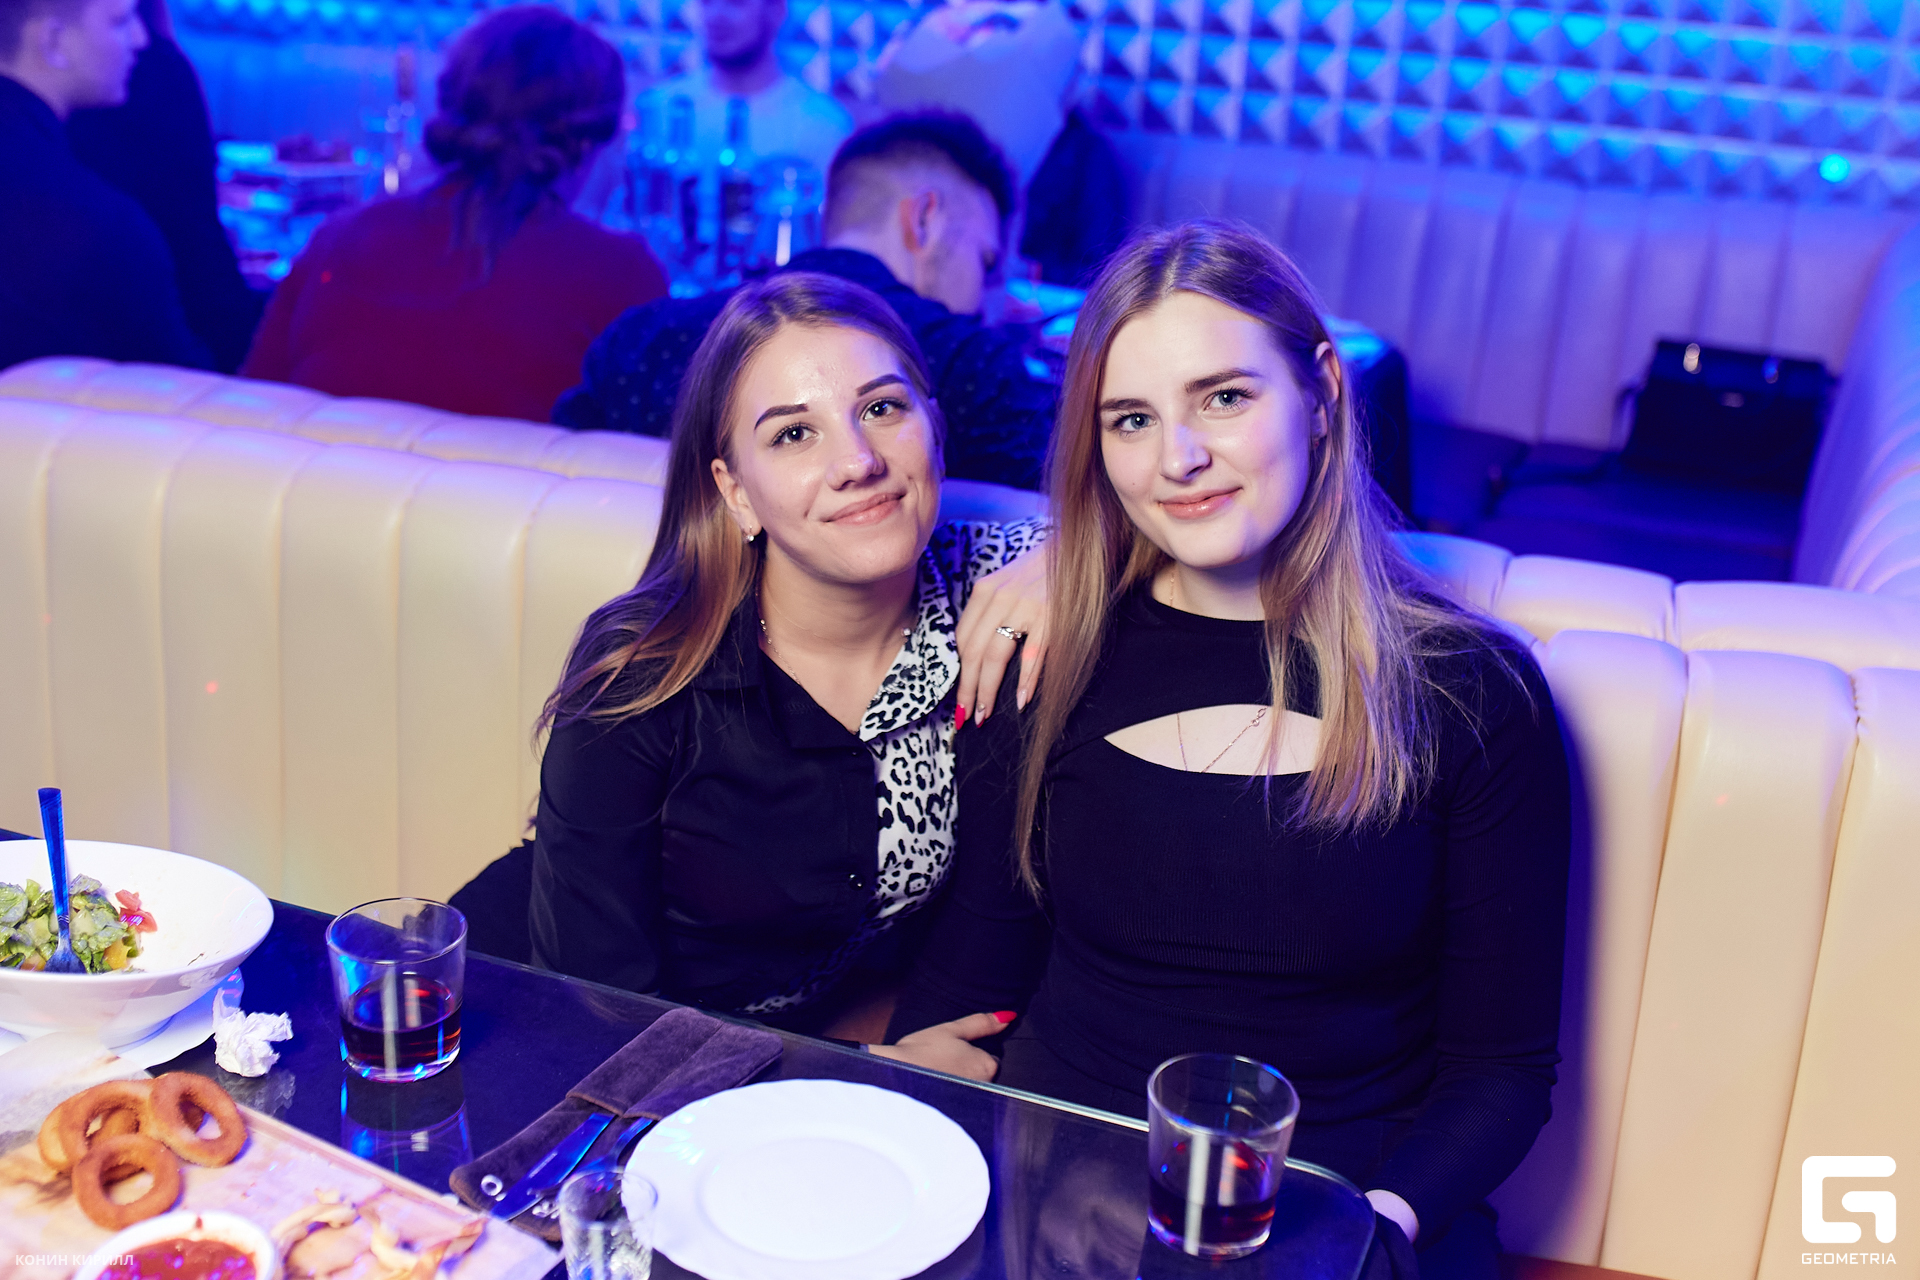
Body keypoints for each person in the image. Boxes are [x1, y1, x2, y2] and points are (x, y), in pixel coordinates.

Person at [886, 222, 1572, 1276]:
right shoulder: (1045, 652)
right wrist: (912, 1137)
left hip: (1347, 1215)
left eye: (1224, 397)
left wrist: (1373, 1226)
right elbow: (968, 971)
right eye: (1132, 419)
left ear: (1322, 393)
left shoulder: (1471, 693)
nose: (1179, 458)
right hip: (1060, 1206)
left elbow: (1501, 1069)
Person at [457, 271, 1049, 1063]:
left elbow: (1165, 517)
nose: (858, 461)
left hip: (770, 1056)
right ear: (735, 492)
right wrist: (862, 1073)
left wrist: (1069, 562)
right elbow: (598, 1013)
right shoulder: (642, 671)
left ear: (934, 428)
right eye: (793, 435)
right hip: (526, 1022)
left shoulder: (992, 591)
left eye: (882, 409)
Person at [556, 111, 1057, 490]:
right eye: (985, 261)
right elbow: (1074, 517)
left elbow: (566, 482)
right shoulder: (970, 365)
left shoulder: (640, 340)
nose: (983, 301)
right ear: (924, 217)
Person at [240, 7, 667, 422]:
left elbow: (251, 412)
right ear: (589, 143)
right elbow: (663, 455)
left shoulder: (338, 240)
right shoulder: (621, 275)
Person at [0, 0, 210, 371]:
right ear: (53, 41)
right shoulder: (99, 223)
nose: (141, 39)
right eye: (120, 21)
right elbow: (179, 385)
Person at [66, 0, 263, 372]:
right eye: (119, 21)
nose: (137, 38)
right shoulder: (153, 71)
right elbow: (195, 243)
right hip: (150, 356)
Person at [643, 0, 851, 185]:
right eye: (707, 2)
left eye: (735, 3)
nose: (716, 16)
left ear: (776, 11)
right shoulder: (660, 107)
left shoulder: (823, 125)